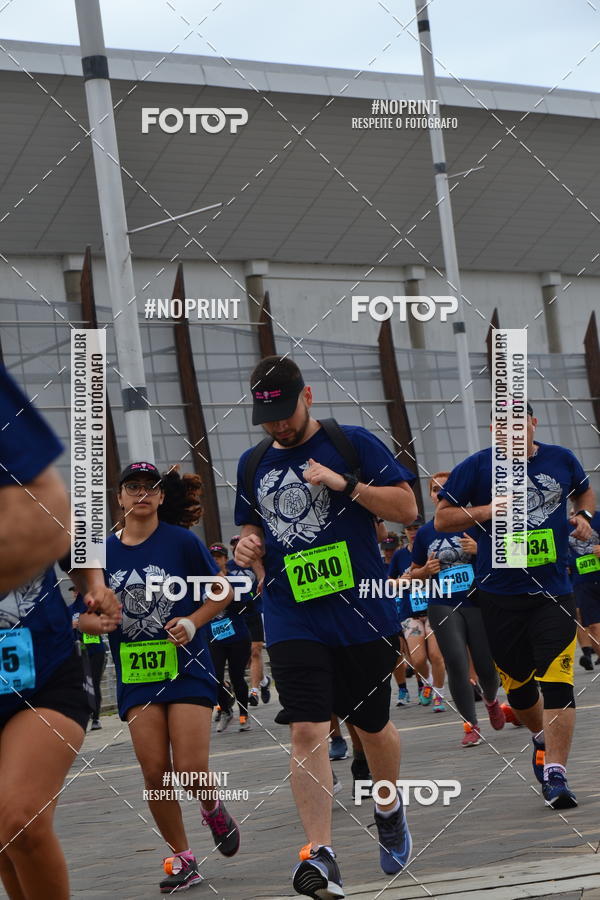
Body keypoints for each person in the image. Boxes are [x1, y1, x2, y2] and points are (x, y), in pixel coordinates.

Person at [234, 355, 418, 897]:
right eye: (266, 418)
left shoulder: (352, 443)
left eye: (285, 413)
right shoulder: (253, 462)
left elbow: (408, 509)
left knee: (372, 723)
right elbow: (252, 527)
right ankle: (321, 854)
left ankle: (387, 805)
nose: (278, 426)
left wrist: (346, 484)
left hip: (360, 611)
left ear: (307, 396)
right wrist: (249, 544)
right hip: (291, 612)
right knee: (307, 727)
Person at [435, 402, 595, 808]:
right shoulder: (476, 467)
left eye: (519, 426)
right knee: (521, 691)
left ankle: (556, 774)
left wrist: (584, 514)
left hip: (553, 593)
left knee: (558, 682)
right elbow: (442, 519)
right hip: (500, 597)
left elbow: (582, 490)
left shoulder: (561, 459)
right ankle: (540, 737)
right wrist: (489, 511)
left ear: (533, 425)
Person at [0, 366, 120, 900]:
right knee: (3, 839)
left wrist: (93, 585)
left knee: (18, 818)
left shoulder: (16, 477)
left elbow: (60, 527)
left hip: (45, 676)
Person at [99, 462, 241, 892]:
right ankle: (183, 857)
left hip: (187, 666)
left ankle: (213, 807)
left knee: (191, 767)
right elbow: (87, 607)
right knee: (155, 771)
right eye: (132, 487)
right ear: (120, 498)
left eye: (150, 488)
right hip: (138, 672)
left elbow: (224, 590)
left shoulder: (181, 543)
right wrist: (96, 619)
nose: (141, 493)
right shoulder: (103, 553)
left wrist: (193, 623)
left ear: (161, 497)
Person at [410, 473, 505, 747]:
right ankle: (470, 725)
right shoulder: (426, 532)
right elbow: (414, 572)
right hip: (442, 603)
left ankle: (490, 699)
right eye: (434, 489)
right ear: (430, 497)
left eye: (445, 487)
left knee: (487, 667)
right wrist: (425, 571)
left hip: (477, 601)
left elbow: (506, 556)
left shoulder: (478, 523)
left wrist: (479, 550)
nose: (439, 492)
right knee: (456, 663)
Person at [208, 542, 253, 732]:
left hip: (237, 635)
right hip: (214, 638)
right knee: (214, 676)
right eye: (212, 558)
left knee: (237, 677)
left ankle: (244, 713)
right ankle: (226, 709)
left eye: (218, 558)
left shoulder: (237, 579)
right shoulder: (201, 582)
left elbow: (248, 605)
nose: (215, 561)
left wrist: (227, 596)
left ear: (226, 559)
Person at [228, 535, 271, 707]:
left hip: (254, 613)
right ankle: (264, 680)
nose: (237, 547)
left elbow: (265, 583)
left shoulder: (256, 566)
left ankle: (254, 691)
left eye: (239, 543)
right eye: (234, 545)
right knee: (245, 657)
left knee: (255, 651)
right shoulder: (228, 567)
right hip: (236, 617)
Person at [387, 519, 422, 706]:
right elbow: (387, 581)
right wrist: (400, 581)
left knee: (418, 653)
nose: (388, 552)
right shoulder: (397, 558)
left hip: (421, 605)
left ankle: (423, 684)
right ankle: (402, 689)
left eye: (416, 528)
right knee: (398, 652)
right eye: (409, 528)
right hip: (396, 610)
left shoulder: (424, 548)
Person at [70, 589, 108, 730]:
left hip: (96, 650)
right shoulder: (69, 610)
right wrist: (72, 625)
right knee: (82, 684)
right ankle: (84, 716)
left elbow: (103, 620)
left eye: (77, 591)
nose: (75, 593)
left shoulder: (92, 607)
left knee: (94, 682)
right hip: (79, 652)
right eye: (74, 591)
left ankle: (96, 718)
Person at [568, 510, 600, 670]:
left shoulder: (598, 518)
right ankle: (588, 653)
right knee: (589, 623)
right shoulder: (563, 524)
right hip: (581, 581)